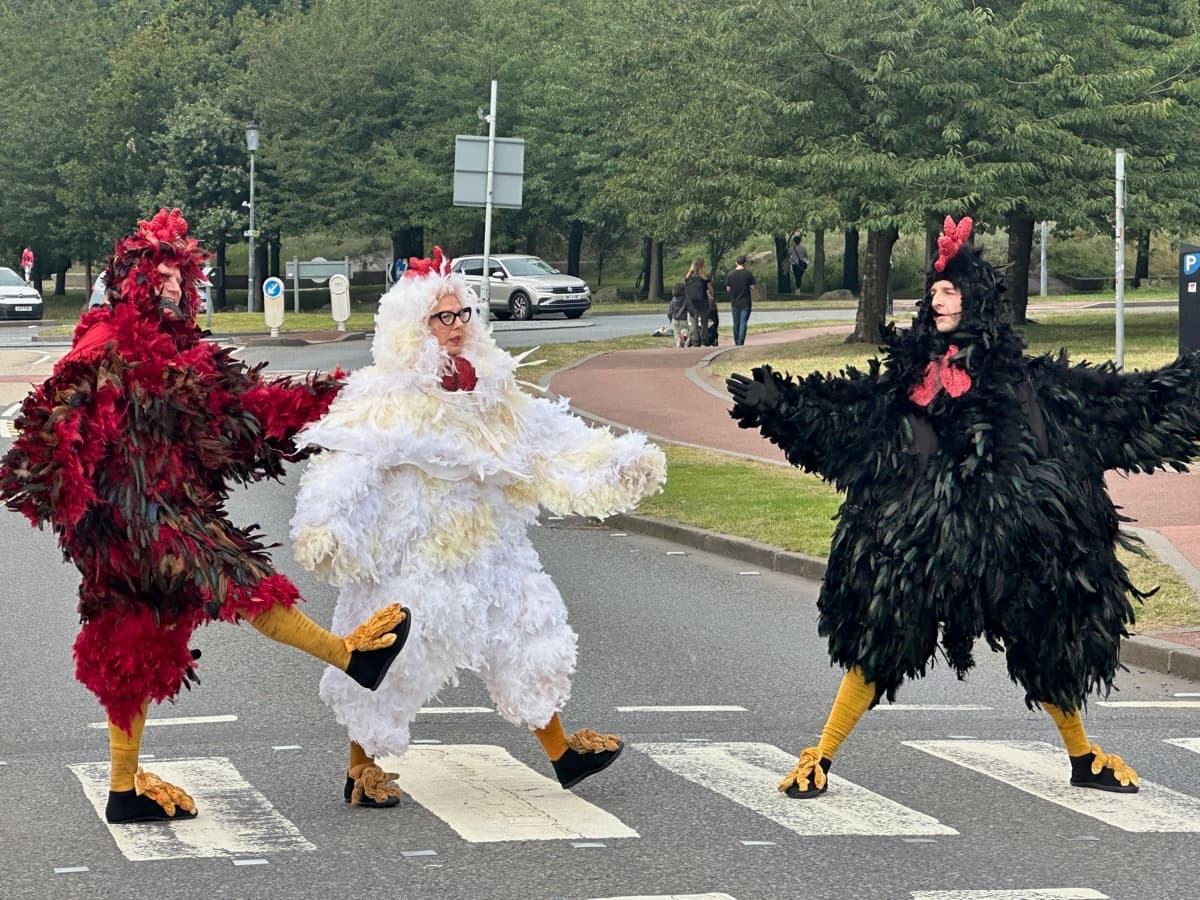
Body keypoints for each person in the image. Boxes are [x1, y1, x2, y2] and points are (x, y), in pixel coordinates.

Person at [726, 215, 1200, 800]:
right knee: (882, 632)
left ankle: (1083, 756)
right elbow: (851, 418)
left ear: (976, 300)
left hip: (1013, 542)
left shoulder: (1029, 382)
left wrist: (1186, 383)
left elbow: (1119, 406)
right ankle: (821, 754)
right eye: (933, 291)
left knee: (1046, 640)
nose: (937, 299)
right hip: (924, 540)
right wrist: (782, 403)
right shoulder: (909, 375)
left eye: (949, 291)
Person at [0, 209, 411, 824]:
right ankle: (354, 658)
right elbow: (52, 427)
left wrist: (337, 399)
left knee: (136, 645)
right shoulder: (105, 344)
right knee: (234, 576)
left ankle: (122, 789)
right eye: (160, 277)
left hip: (142, 518)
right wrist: (70, 497)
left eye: (179, 278)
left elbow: (242, 409)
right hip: (137, 521)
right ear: (131, 281)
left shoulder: (182, 352)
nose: (171, 288)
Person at [289, 248, 667, 808]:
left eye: (462, 314)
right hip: (415, 553)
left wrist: (613, 461)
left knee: (529, 633)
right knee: (392, 654)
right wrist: (325, 523)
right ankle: (360, 769)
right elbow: (350, 464)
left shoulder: (492, 390)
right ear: (413, 329)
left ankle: (564, 753)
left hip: (490, 548)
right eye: (443, 318)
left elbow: (546, 437)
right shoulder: (385, 397)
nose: (457, 327)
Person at [726, 255, 756, 346]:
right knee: (743, 322)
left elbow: (728, 288)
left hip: (734, 301)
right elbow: (753, 287)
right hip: (745, 301)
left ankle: (736, 340)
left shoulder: (730, 274)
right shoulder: (748, 274)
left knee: (736, 322)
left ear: (736, 263)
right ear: (745, 263)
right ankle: (741, 341)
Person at [683, 257, 712, 347]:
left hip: (692, 303)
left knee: (694, 322)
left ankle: (695, 340)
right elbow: (711, 290)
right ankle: (704, 340)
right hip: (702, 302)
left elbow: (686, 287)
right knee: (704, 322)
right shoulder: (705, 278)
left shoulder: (688, 278)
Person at [667, 281, 689, 347]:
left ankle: (678, 343)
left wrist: (670, 318)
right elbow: (689, 307)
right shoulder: (685, 299)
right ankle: (684, 335)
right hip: (683, 318)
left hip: (675, 319)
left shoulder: (673, 300)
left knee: (676, 332)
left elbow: (670, 310)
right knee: (685, 328)